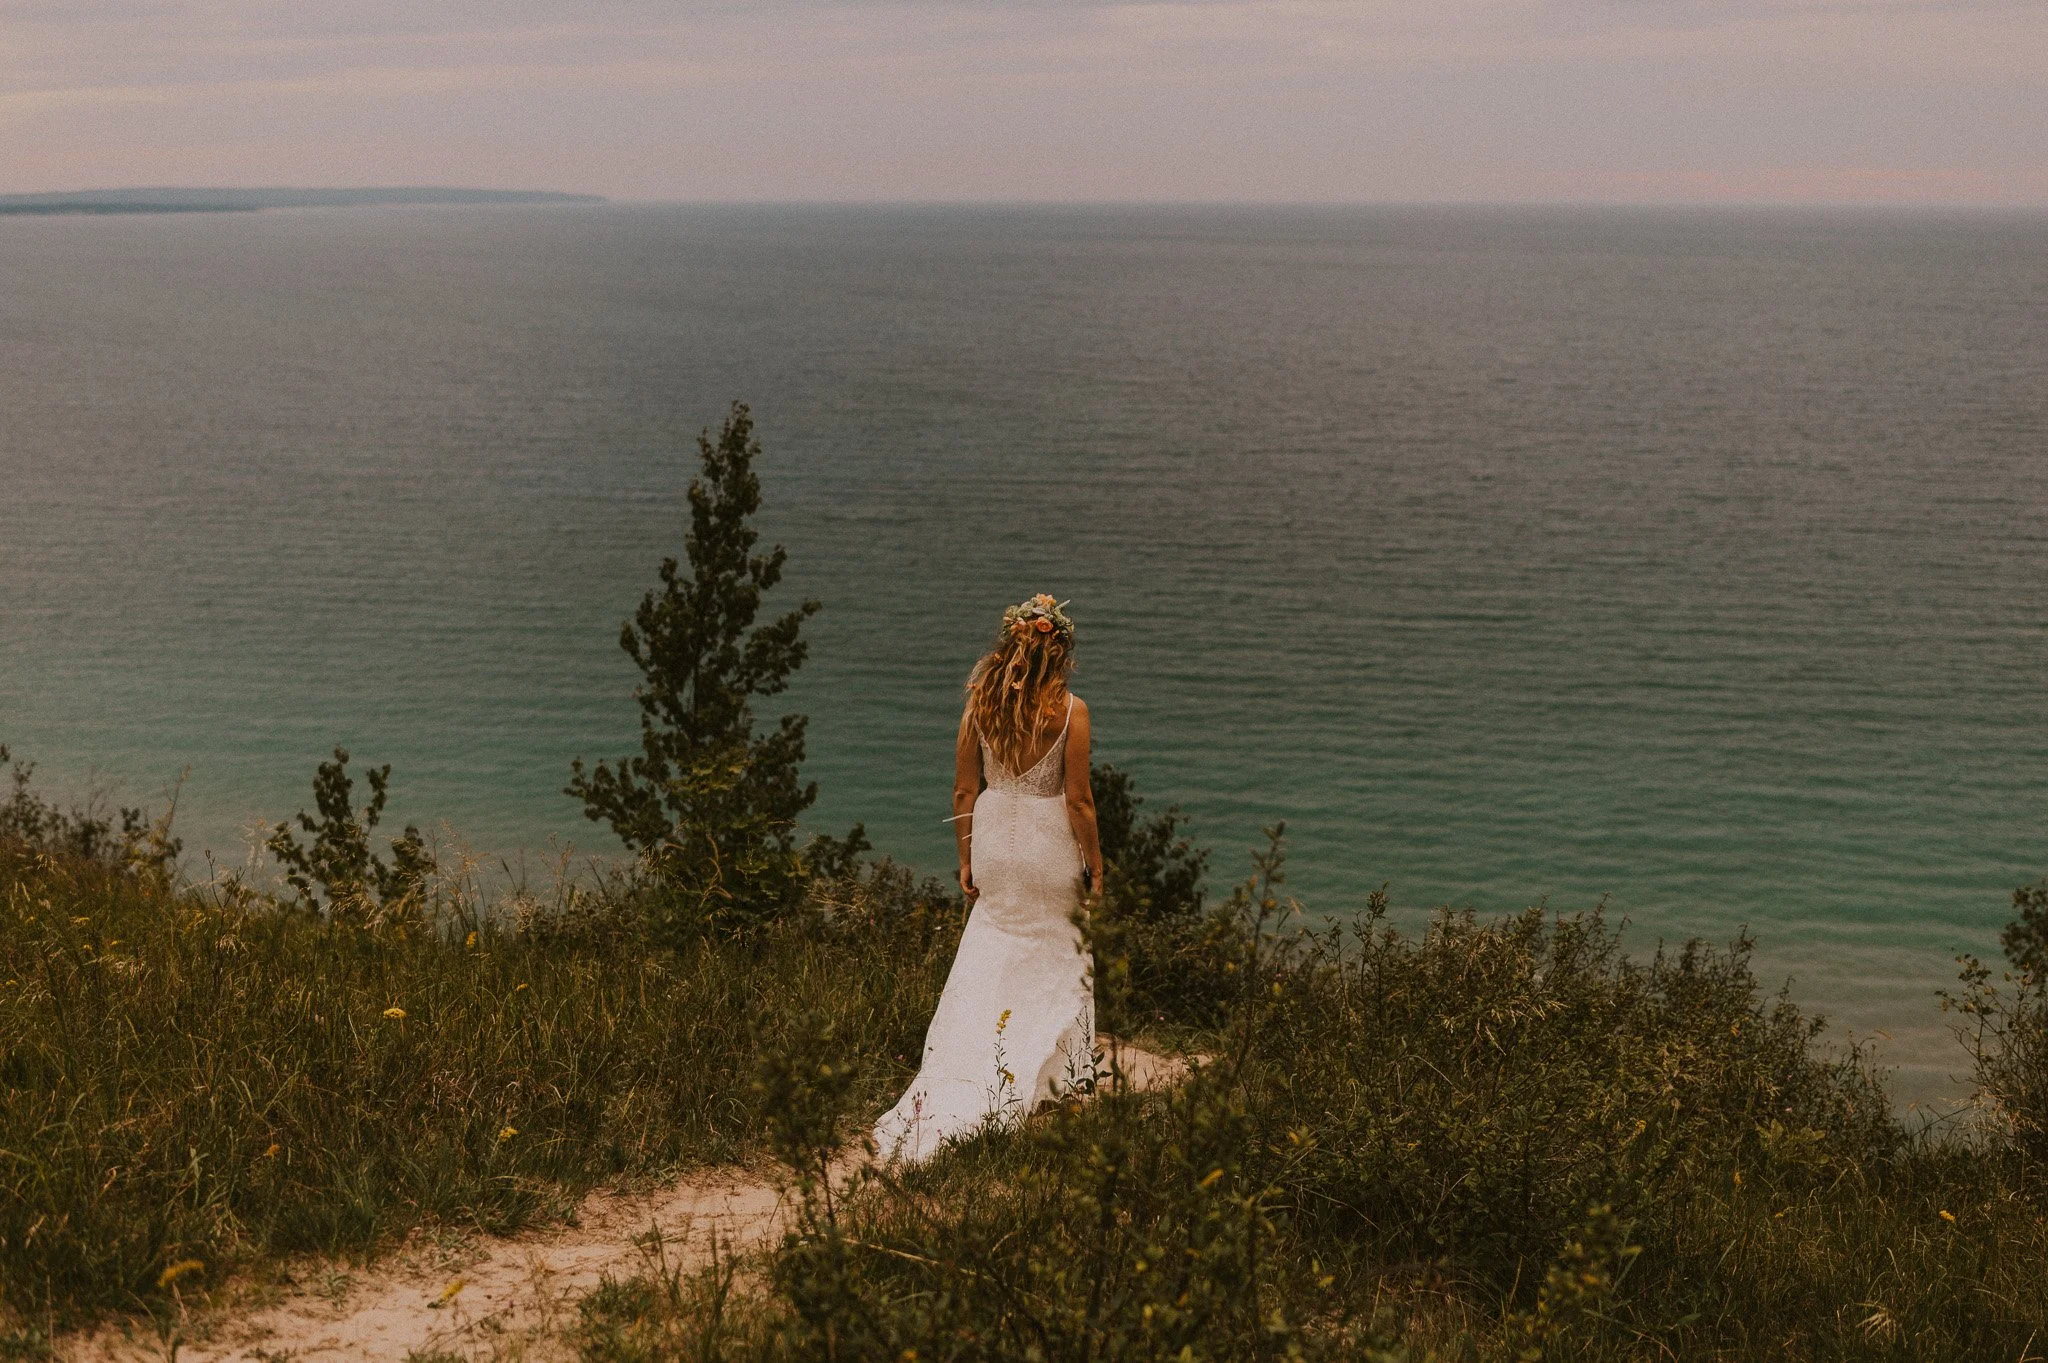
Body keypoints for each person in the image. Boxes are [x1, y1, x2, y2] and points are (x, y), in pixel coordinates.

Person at [871, 593, 1105, 1163]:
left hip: (997, 839)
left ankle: (970, 1067)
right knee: (1061, 950)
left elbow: (962, 791)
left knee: (991, 949)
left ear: (1011, 646)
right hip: (1049, 845)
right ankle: (1061, 1084)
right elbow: (1079, 801)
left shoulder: (981, 704)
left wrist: (966, 858)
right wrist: (1096, 865)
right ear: (1062, 651)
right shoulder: (1072, 712)